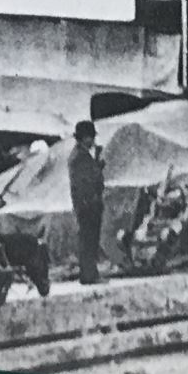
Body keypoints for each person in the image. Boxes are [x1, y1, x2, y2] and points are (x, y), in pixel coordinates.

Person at [69, 119, 107, 284]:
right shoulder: (79, 157)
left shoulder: (80, 155)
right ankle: (89, 275)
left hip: (87, 204)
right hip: (87, 205)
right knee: (88, 240)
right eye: (90, 137)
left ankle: (91, 273)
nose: (92, 141)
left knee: (90, 239)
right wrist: (98, 164)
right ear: (84, 138)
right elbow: (89, 181)